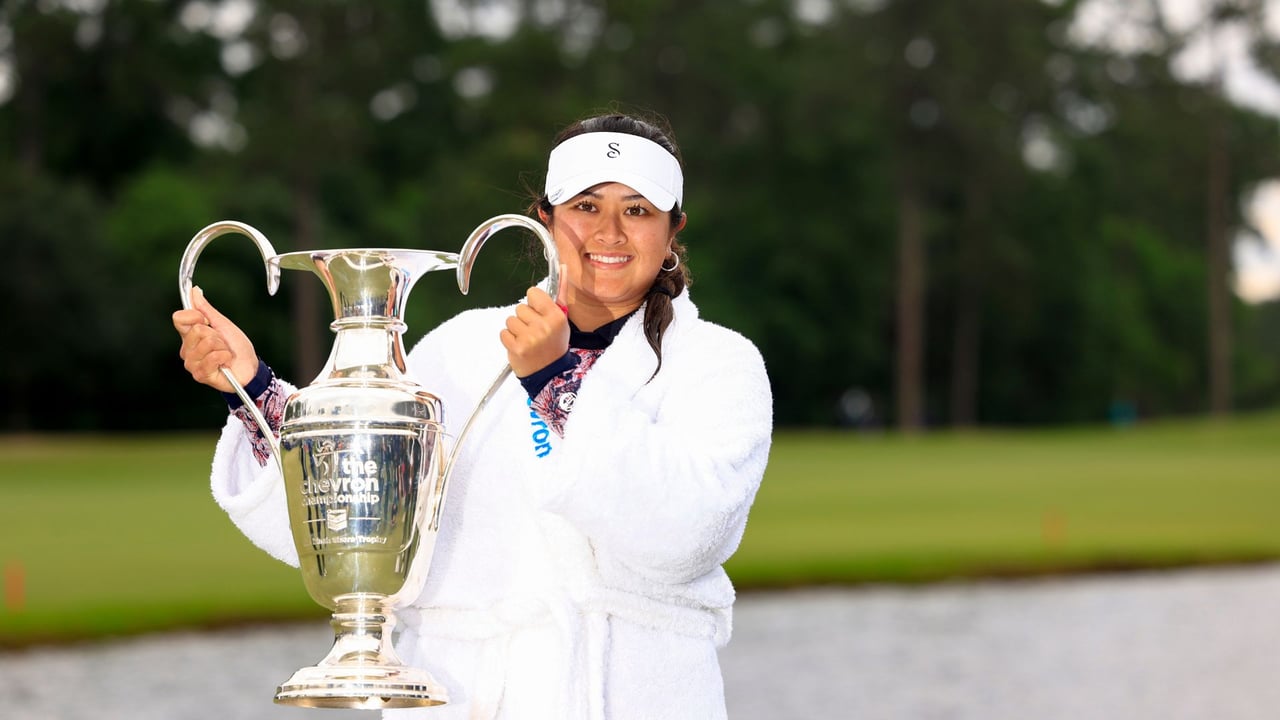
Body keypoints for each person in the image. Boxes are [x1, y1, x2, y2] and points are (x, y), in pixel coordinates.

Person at [172, 112, 773, 720]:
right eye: (586, 206)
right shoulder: (461, 347)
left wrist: (551, 379)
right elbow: (362, 508)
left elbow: (690, 535)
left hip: (636, 693)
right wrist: (249, 387)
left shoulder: (718, 363)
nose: (610, 232)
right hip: (461, 692)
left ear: (674, 230)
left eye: (638, 210)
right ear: (545, 219)